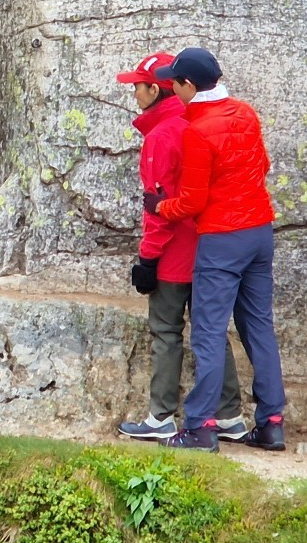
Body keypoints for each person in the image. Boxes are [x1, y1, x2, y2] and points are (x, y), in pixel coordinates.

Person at [154, 48, 286, 451]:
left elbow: (191, 203)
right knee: (259, 327)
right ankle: (271, 422)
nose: (171, 88)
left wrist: (161, 206)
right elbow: (261, 165)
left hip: (222, 238)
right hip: (259, 231)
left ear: (189, 86)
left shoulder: (196, 131)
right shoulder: (244, 113)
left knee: (209, 332)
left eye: (174, 82)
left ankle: (201, 427)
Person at [114, 52, 247, 441]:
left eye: (137, 87)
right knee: (211, 332)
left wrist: (147, 259)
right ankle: (230, 417)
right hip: (210, 248)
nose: (134, 94)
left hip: (174, 254)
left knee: (166, 331)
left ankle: (161, 416)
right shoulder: (197, 122)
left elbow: (158, 209)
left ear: (156, 89)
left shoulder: (159, 136)